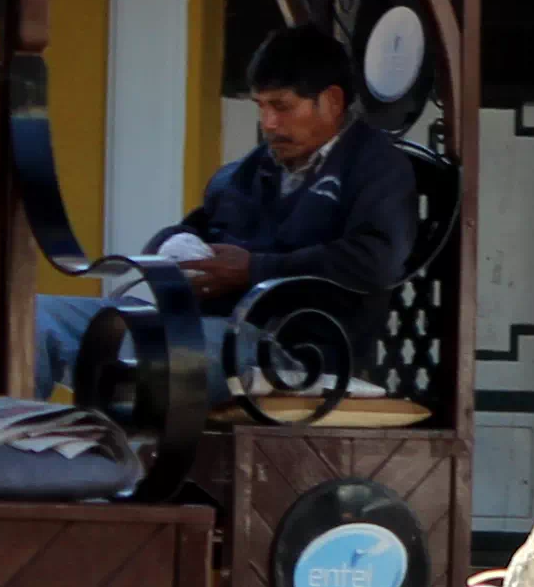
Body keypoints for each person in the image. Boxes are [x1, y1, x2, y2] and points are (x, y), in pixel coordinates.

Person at [33, 24, 417, 397]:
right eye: (261, 107)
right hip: (204, 326)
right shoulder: (255, 168)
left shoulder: (374, 167)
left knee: (142, 350)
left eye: (282, 107)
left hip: (290, 349)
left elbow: (376, 260)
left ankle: (100, 446)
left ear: (332, 101)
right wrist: (174, 246)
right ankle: (8, 446)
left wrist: (252, 269)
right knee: (35, 319)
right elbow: (197, 225)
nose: (268, 123)